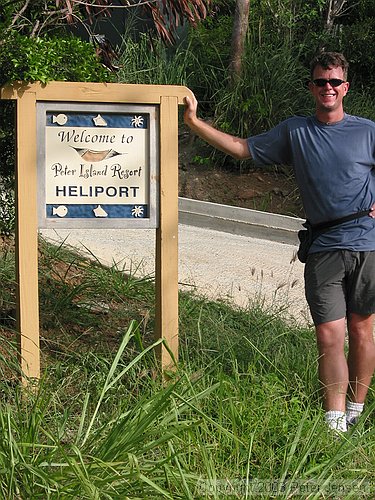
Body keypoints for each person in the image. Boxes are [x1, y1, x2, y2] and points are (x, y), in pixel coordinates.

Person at [184, 51, 375, 433]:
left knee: (363, 329)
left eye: (335, 82)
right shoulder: (295, 131)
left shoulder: (367, 130)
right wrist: (193, 122)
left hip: (367, 244)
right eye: (321, 81)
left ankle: (356, 407)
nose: (328, 88)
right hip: (323, 244)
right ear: (311, 87)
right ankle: (334, 423)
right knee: (328, 332)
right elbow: (242, 148)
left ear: (346, 87)